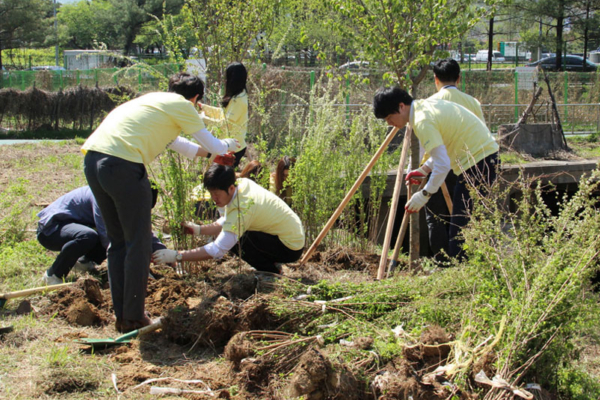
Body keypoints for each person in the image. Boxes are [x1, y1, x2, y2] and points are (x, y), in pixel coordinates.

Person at [82, 72, 237, 333]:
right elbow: (214, 144)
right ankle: (133, 317)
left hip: (94, 161)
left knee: (118, 242)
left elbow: (179, 144)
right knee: (139, 243)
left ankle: (123, 317)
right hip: (124, 166)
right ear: (196, 98)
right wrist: (231, 145)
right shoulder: (183, 106)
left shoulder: (154, 102)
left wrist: (212, 154)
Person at [373, 86, 499, 259]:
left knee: (461, 234)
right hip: (481, 159)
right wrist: (424, 169)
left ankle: (466, 279)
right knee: (466, 226)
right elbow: (443, 151)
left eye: (389, 117)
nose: (389, 123)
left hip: (479, 162)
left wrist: (425, 194)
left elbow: (443, 163)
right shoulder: (426, 107)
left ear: (401, 106)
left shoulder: (422, 120)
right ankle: (477, 273)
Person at [153, 164, 305, 274]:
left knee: (237, 241)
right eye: (211, 194)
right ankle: (270, 263)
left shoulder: (243, 206)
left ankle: (270, 271)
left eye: (217, 195)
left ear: (230, 188)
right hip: (288, 237)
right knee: (233, 233)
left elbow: (218, 249)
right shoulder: (242, 185)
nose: (213, 199)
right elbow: (227, 220)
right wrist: (198, 230)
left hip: (290, 247)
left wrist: (177, 255)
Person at [414, 58, 487, 262]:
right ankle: (464, 261)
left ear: (435, 79)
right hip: (467, 165)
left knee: (436, 217)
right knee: (464, 217)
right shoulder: (473, 103)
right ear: (459, 78)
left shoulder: (430, 103)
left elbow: (425, 143)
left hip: (438, 166)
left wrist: (423, 168)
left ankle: (442, 262)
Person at [38, 186, 167, 285]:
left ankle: (84, 261)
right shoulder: (104, 198)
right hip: (52, 229)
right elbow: (108, 238)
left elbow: (143, 231)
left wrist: (166, 254)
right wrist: (136, 267)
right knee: (88, 236)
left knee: (97, 236)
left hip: (78, 225)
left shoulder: (126, 200)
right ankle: (53, 275)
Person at [200, 62, 248, 167]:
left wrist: (204, 119)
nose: (225, 80)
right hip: (227, 145)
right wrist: (204, 107)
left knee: (219, 180)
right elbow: (223, 114)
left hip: (233, 148)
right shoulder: (237, 95)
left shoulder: (239, 100)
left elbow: (225, 123)